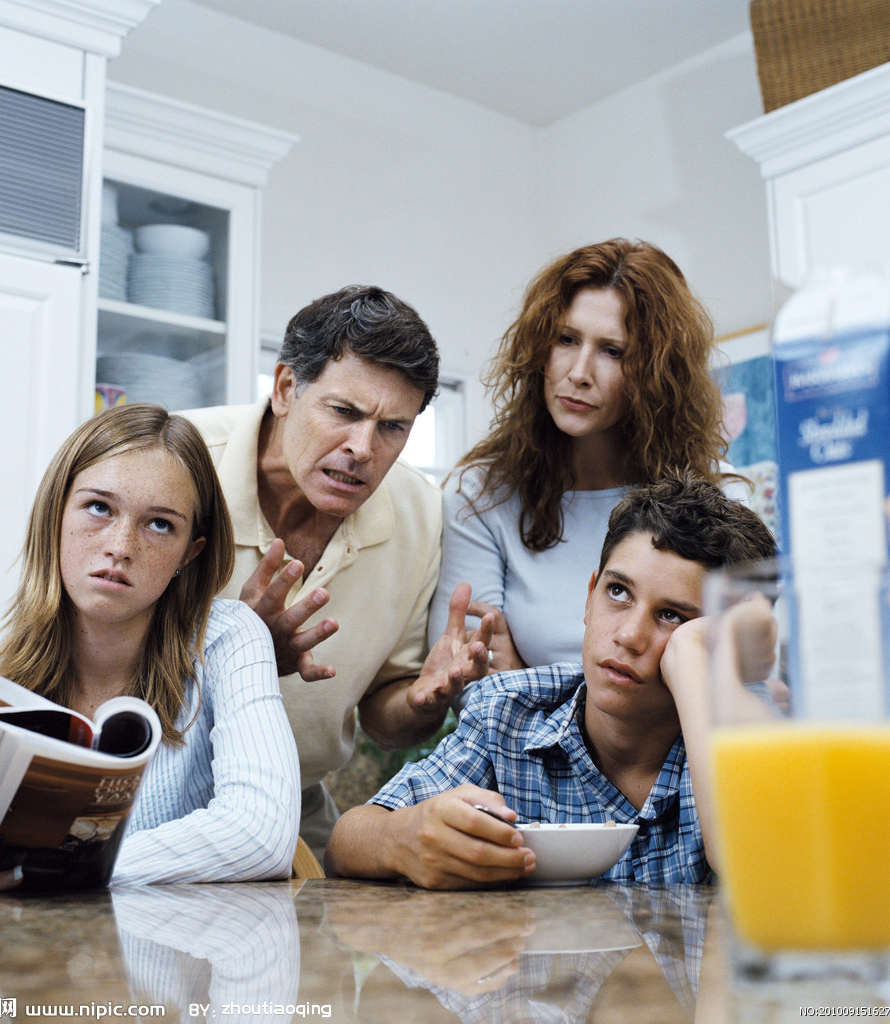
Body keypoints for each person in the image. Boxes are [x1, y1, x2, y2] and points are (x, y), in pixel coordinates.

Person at [324, 475, 777, 889]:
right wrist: (403, 837)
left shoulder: (750, 733)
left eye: (673, 616)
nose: (628, 636)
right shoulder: (509, 712)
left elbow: (758, 870)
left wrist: (692, 656)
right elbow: (348, 840)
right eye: (618, 592)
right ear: (589, 596)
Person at [182, 285, 492, 861]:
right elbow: (85, 662)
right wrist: (239, 653)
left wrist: (424, 702)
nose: (362, 448)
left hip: (299, 810)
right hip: (150, 791)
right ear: (284, 389)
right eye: (343, 412)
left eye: (393, 427)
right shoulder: (175, 461)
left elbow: (383, 715)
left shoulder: (419, 513)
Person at [0, 403, 301, 892]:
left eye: (159, 525)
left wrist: (56, 878)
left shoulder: (228, 639)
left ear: (189, 553)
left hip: (178, 961)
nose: (120, 545)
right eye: (98, 507)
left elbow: (262, 836)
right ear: (56, 514)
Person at [428, 239, 750, 674]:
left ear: (657, 373)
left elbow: (732, 678)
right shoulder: (482, 493)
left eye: (612, 351)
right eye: (566, 339)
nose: (578, 373)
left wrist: (526, 678)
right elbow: (469, 685)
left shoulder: (720, 499)